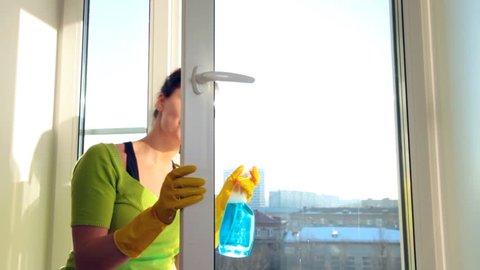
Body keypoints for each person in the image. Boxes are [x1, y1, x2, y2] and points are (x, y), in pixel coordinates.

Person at [61, 68, 259, 269]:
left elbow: (183, 261)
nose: (196, 115)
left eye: (207, 110)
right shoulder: (105, 160)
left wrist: (221, 214)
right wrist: (156, 216)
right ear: (161, 101)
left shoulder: (184, 181)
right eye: (188, 102)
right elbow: (87, 262)